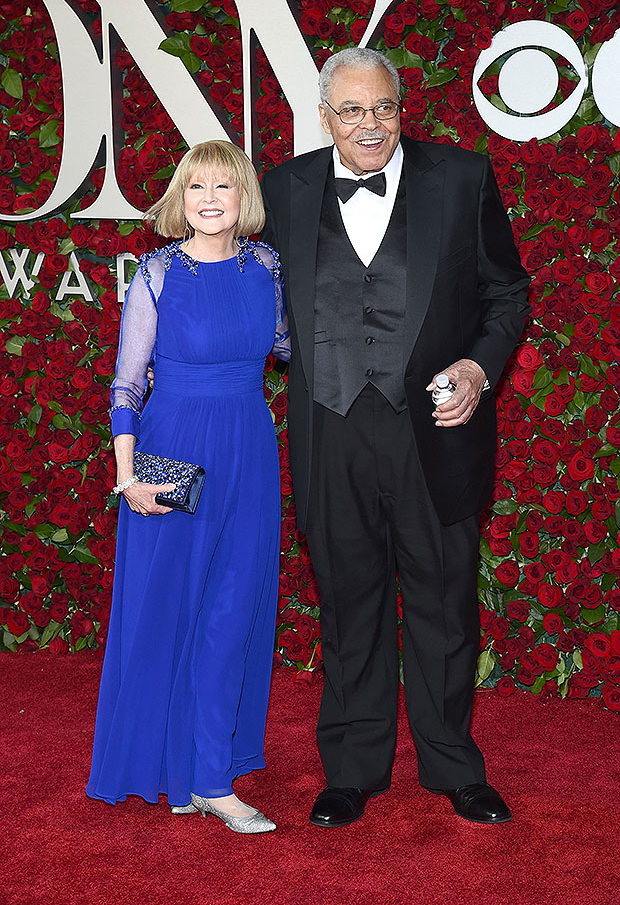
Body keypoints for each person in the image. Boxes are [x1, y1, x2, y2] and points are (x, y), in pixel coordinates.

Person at [260, 47, 530, 828]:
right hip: (331, 430)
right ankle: (351, 769)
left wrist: (480, 369)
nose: (370, 124)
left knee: (444, 598)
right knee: (349, 603)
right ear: (325, 117)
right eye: (352, 111)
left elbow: (506, 289)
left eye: (382, 107)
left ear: (401, 106)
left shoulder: (462, 175)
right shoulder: (283, 186)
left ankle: (454, 766)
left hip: (435, 427)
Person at [86, 140, 290, 834]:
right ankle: (172, 764)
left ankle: (209, 778)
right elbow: (127, 383)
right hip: (171, 453)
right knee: (168, 610)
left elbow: (295, 349)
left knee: (233, 610)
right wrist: (126, 473)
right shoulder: (155, 274)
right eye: (196, 186)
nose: (209, 198)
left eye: (223, 187)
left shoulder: (267, 268)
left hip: (249, 454)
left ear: (243, 200)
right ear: (181, 198)